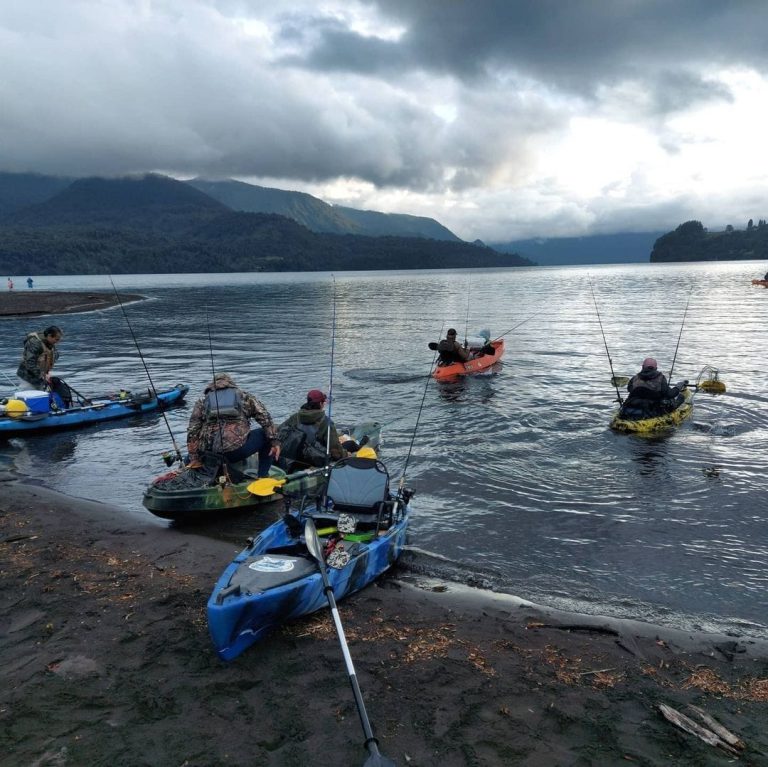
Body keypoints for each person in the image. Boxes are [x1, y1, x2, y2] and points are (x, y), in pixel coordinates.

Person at [186, 373, 280, 477]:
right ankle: (262, 476)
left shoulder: (202, 401)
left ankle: (196, 469)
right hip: (234, 453)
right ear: (230, 383)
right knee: (265, 434)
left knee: (194, 451)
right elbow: (265, 418)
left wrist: (194, 458)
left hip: (208, 454)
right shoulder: (244, 396)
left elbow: (192, 431)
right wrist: (275, 442)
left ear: (212, 385)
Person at [277, 389, 346, 470]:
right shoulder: (326, 422)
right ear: (320, 404)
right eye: (323, 402)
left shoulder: (295, 417)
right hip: (314, 461)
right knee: (350, 444)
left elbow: (279, 432)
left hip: (293, 460)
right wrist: (346, 454)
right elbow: (336, 452)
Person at [16, 325, 72, 407]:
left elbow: (51, 356)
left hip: (40, 378)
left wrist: (46, 373)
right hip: (27, 376)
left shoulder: (49, 343)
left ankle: (41, 411)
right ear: (49, 336)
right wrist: (42, 374)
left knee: (41, 396)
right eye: (56, 339)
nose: (58, 342)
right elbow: (30, 363)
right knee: (26, 398)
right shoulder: (35, 343)